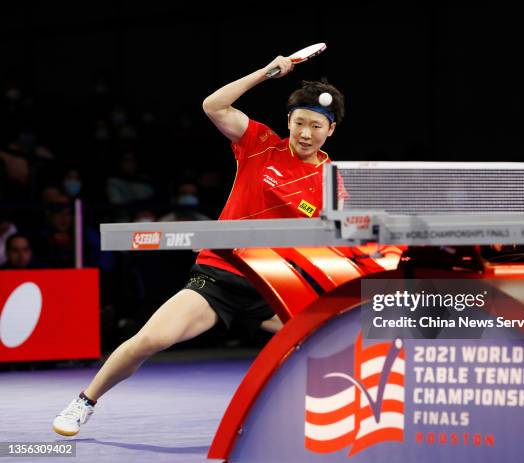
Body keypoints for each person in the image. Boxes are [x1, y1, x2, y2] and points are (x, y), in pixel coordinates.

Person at [52, 53, 346, 436]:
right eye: (299, 123)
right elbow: (213, 105)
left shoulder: (333, 182)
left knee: (333, 338)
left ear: (331, 130)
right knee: (151, 339)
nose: (306, 133)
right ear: (288, 122)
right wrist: (267, 72)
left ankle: (322, 420)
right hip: (221, 276)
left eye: (316, 126)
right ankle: (85, 401)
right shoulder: (259, 144)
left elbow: (337, 244)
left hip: (275, 284)